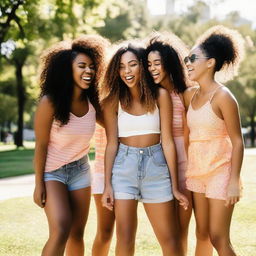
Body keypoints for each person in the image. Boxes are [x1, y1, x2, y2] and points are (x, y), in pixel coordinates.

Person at [101, 42, 189, 256]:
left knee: (170, 240)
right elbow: (112, 144)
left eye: (132, 65)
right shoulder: (113, 100)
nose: (127, 71)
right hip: (124, 169)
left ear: (142, 66)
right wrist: (107, 186)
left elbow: (167, 141)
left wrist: (175, 187)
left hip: (156, 168)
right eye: (121, 67)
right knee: (124, 237)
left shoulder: (160, 95)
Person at [33, 35, 108, 256]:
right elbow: (41, 146)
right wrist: (39, 184)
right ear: (68, 69)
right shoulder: (50, 102)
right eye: (82, 66)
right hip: (52, 172)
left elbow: (116, 124)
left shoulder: (92, 102)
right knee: (61, 228)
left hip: (81, 171)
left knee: (77, 233)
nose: (89, 71)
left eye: (92, 67)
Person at [183, 25, 244, 256]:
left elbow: (238, 142)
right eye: (186, 58)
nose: (188, 62)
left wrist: (233, 181)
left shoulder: (224, 97)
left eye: (193, 58)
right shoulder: (190, 95)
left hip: (221, 172)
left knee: (219, 237)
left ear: (210, 62)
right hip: (196, 172)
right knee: (202, 233)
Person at [145, 32, 194, 255]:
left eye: (157, 63)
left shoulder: (184, 93)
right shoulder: (149, 95)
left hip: (185, 165)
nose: (152, 68)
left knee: (182, 232)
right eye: (148, 64)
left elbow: (190, 134)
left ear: (169, 64)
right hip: (158, 167)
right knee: (169, 237)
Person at [91, 124, 115, 256]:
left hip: (128, 168)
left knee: (126, 232)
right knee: (105, 232)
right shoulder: (97, 103)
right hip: (102, 171)